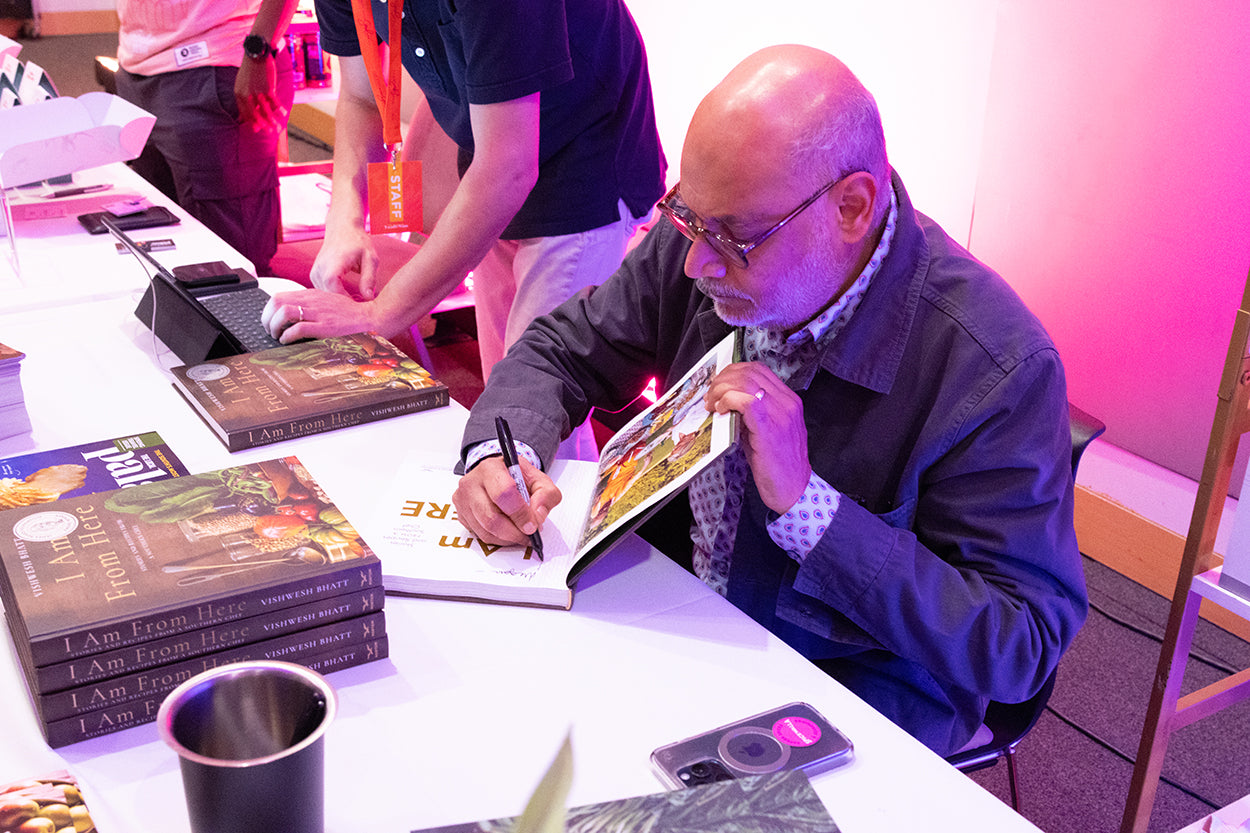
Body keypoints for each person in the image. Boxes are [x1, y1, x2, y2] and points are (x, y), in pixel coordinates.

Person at [451, 45, 1089, 756]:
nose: (697, 262)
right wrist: (499, 454)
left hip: (848, 688)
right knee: (488, 724)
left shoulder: (992, 364)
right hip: (677, 613)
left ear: (852, 208)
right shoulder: (705, 237)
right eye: (685, 216)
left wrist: (811, 510)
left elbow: (1019, 642)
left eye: (732, 237)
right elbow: (564, 347)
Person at [261, 0, 667, 386]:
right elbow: (360, 98)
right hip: (491, 162)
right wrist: (344, 223)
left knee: (530, 399)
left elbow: (508, 168)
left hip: (584, 171)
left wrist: (377, 316)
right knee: (503, 391)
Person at [114, 0, 299, 276]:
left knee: (234, 267)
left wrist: (258, 51)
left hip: (217, 61)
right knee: (168, 252)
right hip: (136, 65)